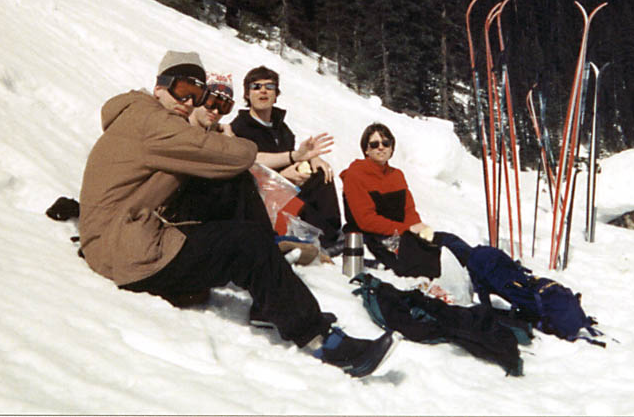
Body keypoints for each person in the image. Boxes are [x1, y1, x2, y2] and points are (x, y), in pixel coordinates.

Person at [77, 51, 396, 377]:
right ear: (159, 86)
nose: (188, 102)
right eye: (183, 90)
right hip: (127, 250)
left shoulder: (141, 116)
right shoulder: (153, 122)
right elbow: (229, 155)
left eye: (197, 95)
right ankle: (321, 340)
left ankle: (267, 297)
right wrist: (239, 146)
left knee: (235, 186)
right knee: (250, 242)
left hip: (125, 234)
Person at [229, 66, 344, 253]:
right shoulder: (240, 128)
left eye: (269, 86)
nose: (263, 91)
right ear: (247, 94)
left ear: (276, 94)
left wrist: (313, 158)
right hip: (262, 198)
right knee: (288, 197)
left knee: (322, 174)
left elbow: (294, 156)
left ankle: (331, 235)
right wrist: (283, 177)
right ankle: (318, 240)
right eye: (256, 87)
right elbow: (251, 165)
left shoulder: (281, 128)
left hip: (288, 187)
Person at [340, 122, 474, 278]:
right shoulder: (355, 175)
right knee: (429, 255)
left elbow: (408, 210)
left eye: (386, 143)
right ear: (366, 150)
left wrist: (419, 228)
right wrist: (405, 230)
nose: (381, 147)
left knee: (450, 241)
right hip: (373, 239)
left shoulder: (396, 175)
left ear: (392, 148)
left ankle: (480, 267)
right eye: (374, 144)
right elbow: (366, 220)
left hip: (401, 234)